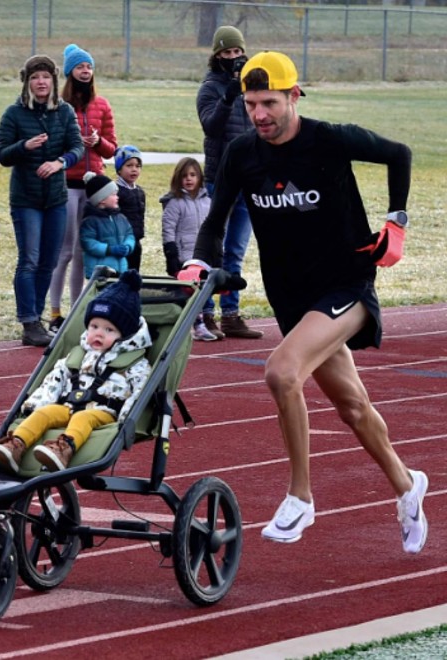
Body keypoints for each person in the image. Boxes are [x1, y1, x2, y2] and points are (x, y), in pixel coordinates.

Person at [184, 51, 426, 553]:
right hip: (292, 300)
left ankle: (300, 497)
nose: (259, 115)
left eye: (269, 102)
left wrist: (396, 223)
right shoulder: (242, 154)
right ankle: (408, 485)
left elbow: (399, 153)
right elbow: (214, 221)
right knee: (353, 408)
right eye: (251, 104)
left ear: (294, 96)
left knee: (281, 371)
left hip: (347, 287)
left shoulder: (329, 139)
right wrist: (197, 263)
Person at [0, 270, 151, 475]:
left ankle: (64, 450)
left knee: (83, 419)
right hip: (69, 405)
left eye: (109, 330)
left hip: (103, 411)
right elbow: (54, 381)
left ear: (125, 335)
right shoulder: (78, 355)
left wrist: (127, 417)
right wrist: (36, 403)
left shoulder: (135, 363)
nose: (98, 333)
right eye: (94, 326)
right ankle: (16, 445)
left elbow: (140, 389)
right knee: (44, 413)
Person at [0, 54, 84, 347]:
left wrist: (60, 162)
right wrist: (24, 146)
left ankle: (37, 318)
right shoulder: (13, 113)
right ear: (27, 83)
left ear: (54, 80)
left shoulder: (65, 112)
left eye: (46, 77)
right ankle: (29, 320)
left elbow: (77, 147)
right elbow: (3, 155)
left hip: (56, 198)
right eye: (35, 77)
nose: (41, 82)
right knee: (30, 260)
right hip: (26, 199)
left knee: (48, 261)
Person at [196, 26, 263, 340]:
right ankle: (205, 312)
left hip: (249, 179)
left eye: (238, 52)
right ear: (217, 55)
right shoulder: (209, 88)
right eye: (227, 53)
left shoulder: (254, 87)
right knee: (214, 250)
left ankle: (231, 314)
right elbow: (211, 127)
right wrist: (229, 96)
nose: (234, 58)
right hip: (219, 180)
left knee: (236, 250)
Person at [48, 44, 117, 332]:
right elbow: (53, 144)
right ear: (69, 72)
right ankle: (54, 314)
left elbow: (112, 149)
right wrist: (75, 146)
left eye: (89, 66)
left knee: (81, 252)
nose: (86, 71)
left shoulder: (102, 104)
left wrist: (97, 141)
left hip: (93, 188)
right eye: (80, 67)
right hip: (67, 185)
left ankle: (78, 310)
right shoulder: (60, 106)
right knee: (63, 251)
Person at [160, 157, 219, 342]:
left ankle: (198, 324)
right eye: (184, 176)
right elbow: (168, 229)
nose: (189, 179)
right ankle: (181, 324)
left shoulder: (207, 202)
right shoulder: (174, 203)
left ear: (200, 177)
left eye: (193, 175)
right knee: (184, 293)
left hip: (202, 257)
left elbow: (213, 228)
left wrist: (216, 253)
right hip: (183, 257)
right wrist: (171, 254)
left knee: (199, 292)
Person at [78, 172, 134, 280]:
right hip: (99, 273)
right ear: (102, 200)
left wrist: (128, 246)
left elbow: (129, 233)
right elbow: (88, 242)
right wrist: (109, 249)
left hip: (120, 269)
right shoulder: (90, 221)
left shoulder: (120, 218)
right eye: (113, 194)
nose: (117, 197)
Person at [113, 145, 147, 271]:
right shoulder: (115, 191)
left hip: (135, 241)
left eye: (137, 166)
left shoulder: (140, 192)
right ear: (119, 169)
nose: (134, 169)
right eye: (129, 165)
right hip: (120, 242)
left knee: (133, 273)